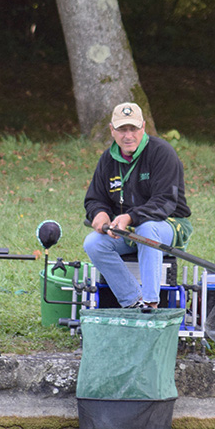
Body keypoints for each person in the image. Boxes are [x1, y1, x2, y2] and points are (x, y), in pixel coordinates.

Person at [83, 102, 192, 310]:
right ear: (111, 130)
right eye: (122, 129)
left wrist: (129, 217)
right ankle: (132, 301)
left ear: (143, 127)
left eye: (133, 129)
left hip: (168, 225)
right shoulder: (107, 159)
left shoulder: (162, 153)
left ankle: (151, 303)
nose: (128, 135)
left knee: (146, 228)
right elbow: (95, 198)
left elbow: (165, 201)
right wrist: (99, 213)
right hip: (126, 230)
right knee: (93, 243)